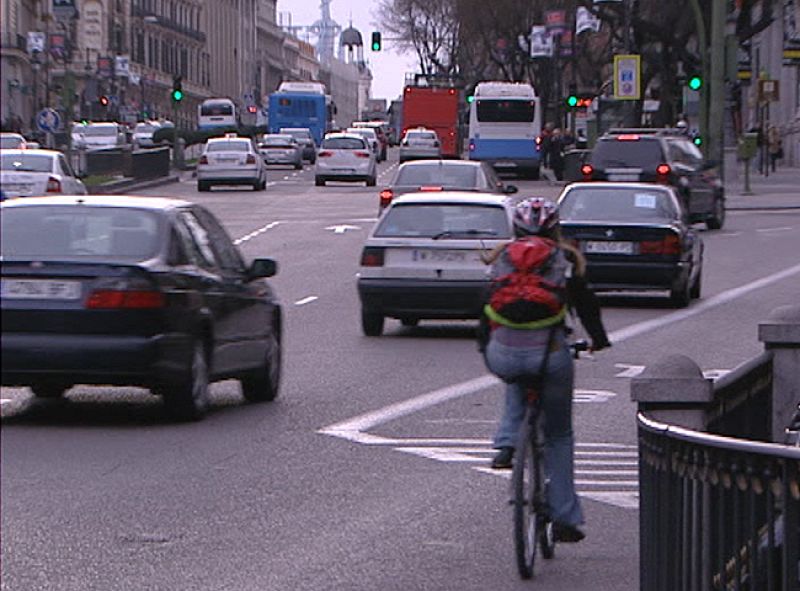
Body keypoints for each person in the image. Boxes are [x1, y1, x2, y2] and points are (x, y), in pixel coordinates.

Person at [478, 198, 611, 543]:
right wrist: (598, 341)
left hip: (502, 353)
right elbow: (587, 308)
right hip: (549, 355)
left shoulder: (501, 259)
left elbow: (484, 310)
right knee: (559, 435)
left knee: (515, 377)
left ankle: (506, 444)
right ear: (556, 229)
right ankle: (565, 516)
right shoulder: (564, 261)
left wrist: (487, 348)